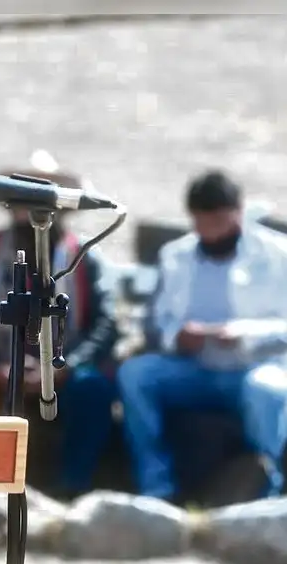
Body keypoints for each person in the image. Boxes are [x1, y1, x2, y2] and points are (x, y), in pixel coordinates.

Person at [0, 169, 118, 497]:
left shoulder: (85, 258)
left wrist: (64, 366)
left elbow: (106, 325)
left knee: (93, 390)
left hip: (63, 369)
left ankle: (73, 487)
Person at [118, 170, 287, 501]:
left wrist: (245, 334)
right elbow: (153, 324)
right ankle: (157, 485)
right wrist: (177, 338)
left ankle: (274, 488)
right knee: (136, 374)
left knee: (266, 390)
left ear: (238, 212)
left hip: (256, 368)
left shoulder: (278, 255)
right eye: (203, 223)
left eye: (219, 222)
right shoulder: (175, 256)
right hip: (195, 369)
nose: (211, 233)